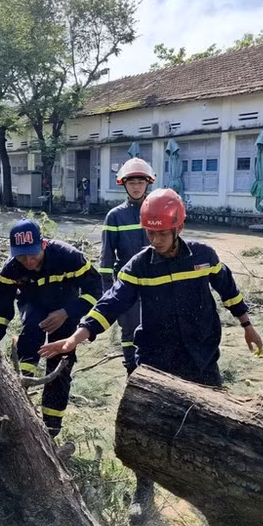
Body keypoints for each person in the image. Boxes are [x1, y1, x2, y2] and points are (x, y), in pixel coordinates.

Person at [40, 188, 262, 523]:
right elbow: (111, 302)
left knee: (214, 423)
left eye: (161, 233)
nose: (155, 239)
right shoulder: (140, 266)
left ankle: (215, 496)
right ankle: (144, 490)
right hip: (157, 361)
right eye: (150, 233)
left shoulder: (203, 256)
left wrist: (246, 323)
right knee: (145, 428)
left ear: (178, 228)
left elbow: (227, 287)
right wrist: (77, 336)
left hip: (201, 355)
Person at [0, 219, 102, 437]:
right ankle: (17, 406)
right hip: (33, 310)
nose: (29, 261)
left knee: (61, 365)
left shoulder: (68, 257)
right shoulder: (11, 269)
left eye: (33, 254)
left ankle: (51, 428)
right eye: (22, 256)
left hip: (66, 309)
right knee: (29, 341)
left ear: (43, 244)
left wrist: (67, 312)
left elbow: (96, 290)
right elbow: (0, 311)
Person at [100, 158, 155, 374]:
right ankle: (132, 370)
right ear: (123, 184)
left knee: (156, 325)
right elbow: (105, 258)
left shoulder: (156, 209)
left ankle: (152, 370)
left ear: (147, 183)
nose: (136, 186)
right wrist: (107, 293)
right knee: (129, 329)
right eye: (131, 182)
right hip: (128, 283)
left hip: (156, 280)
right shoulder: (115, 216)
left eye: (140, 182)